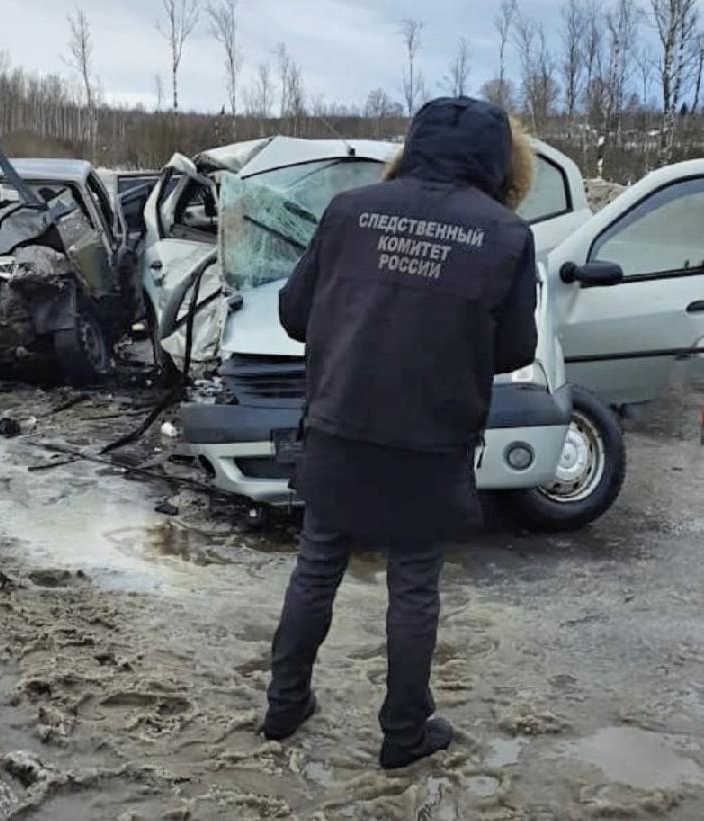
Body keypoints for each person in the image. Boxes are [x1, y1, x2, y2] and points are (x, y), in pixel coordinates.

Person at [264, 97, 538, 769]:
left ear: (411, 142)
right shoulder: (504, 234)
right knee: (413, 583)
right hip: (431, 437)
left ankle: (283, 705)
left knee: (316, 563)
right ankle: (402, 733)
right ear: (499, 159)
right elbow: (512, 349)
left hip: (338, 422)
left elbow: (293, 315)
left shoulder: (348, 210)